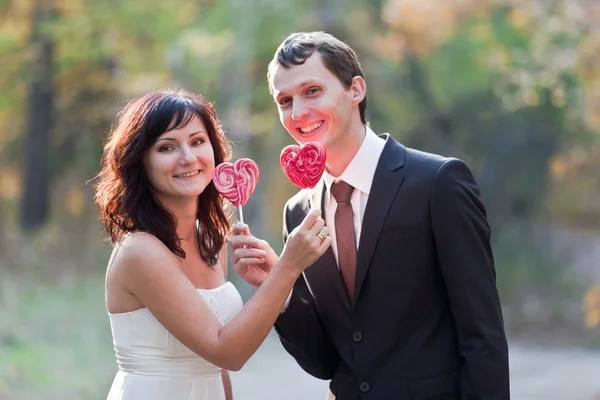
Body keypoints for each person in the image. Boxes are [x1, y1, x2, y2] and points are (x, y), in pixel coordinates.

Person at [229, 32, 510, 399]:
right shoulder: (298, 213)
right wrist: (277, 289)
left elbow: (483, 335)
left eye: (312, 91)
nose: (297, 114)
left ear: (356, 89)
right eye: (285, 100)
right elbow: (326, 361)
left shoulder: (436, 183)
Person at [94, 89, 332, 400]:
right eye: (166, 147)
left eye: (197, 141)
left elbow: (217, 369)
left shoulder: (211, 238)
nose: (188, 158)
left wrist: (273, 277)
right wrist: (288, 266)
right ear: (140, 162)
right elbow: (227, 351)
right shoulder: (140, 251)